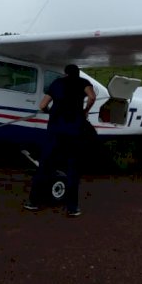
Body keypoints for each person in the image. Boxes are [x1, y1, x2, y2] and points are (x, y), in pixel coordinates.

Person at [24, 63, 96, 216]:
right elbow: (91, 97)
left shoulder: (57, 83)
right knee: (72, 168)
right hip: (73, 132)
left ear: (65, 73)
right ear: (78, 73)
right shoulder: (83, 83)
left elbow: (42, 105)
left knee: (44, 165)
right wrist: (85, 111)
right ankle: (72, 208)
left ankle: (33, 202)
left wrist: (50, 112)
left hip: (55, 131)